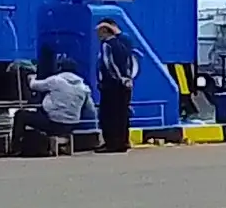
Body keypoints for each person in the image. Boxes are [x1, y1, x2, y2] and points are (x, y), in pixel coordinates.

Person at [12, 58, 94, 156]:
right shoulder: (83, 87)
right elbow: (90, 109)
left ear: (60, 68)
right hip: (71, 125)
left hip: (53, 122)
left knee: (20, 115)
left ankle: (15, 148)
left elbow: (34, 86)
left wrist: (31, 77)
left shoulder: (55, 80)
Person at [95, 19, 138, 153]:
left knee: (108, 115)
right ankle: (123, 141)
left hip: (112, 85)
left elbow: (109, 64)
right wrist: (127, 79)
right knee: (122, 114)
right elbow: (130, 62)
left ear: (105, 31)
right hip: (126, 84)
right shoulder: (124, 43)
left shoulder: (107, 45)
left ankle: (111, 143)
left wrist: (117, 79)